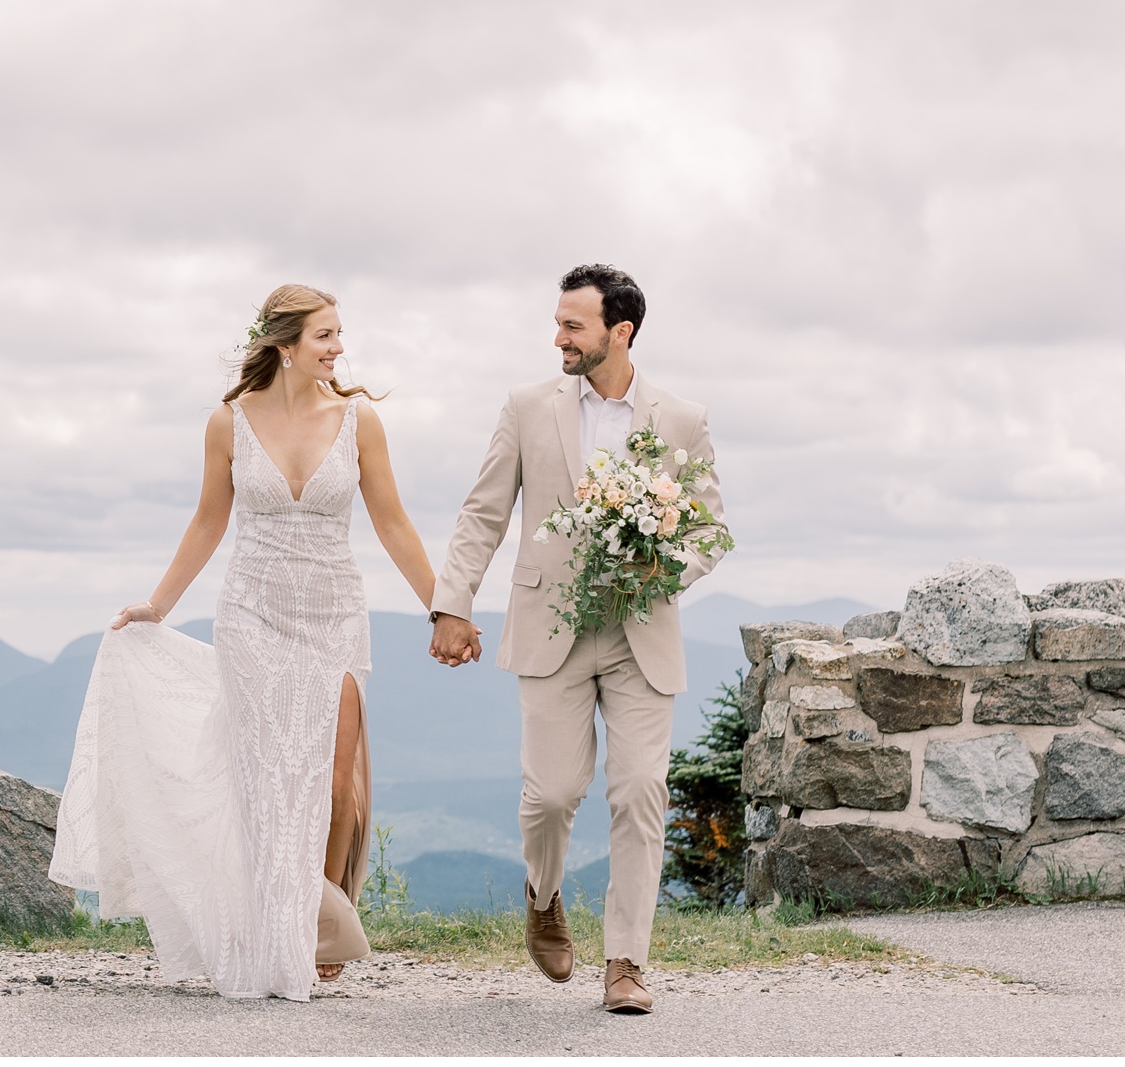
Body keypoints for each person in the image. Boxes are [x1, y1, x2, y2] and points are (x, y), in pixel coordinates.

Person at [50, 284, 438, 1001]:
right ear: (285, 346)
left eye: (340, 333)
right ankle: (280, 934)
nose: (340, 347)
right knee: (264, 782)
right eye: (326, 335)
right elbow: (207, 522)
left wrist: (445, 609)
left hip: (334, 615)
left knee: (331, 782)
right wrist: (158, 605)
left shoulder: (360, 421)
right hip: (252, 616)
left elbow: (393, 524)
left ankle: (318, 924)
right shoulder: (227, 423)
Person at [426, 264, 725, 1016]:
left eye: (572, 325)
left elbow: (712, 528)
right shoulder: (526, 407)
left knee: (639, 793)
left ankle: (626, 962)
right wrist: (450, 605)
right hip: (549, 628)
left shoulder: (681, 419)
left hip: (640, 631)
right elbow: (483, 512)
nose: (557, 337)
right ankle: (544, 892)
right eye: (558, 323)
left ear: (619, 333)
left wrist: (665, 567)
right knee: (553, 796)